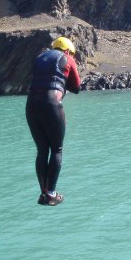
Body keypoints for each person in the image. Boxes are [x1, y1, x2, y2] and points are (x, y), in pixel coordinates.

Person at [26, 36, 81, 206]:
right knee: (56, 149)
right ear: (67, 50)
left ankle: (43, 193)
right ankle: (51, 193)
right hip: (51, 104)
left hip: (31, 105)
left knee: (42, 149)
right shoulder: (67, 58)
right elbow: (76, 87)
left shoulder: (40, 58)